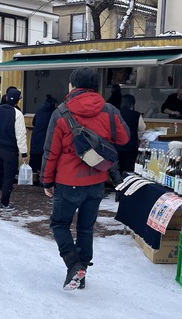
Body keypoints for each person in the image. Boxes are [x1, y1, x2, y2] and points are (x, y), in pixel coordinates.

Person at [41, 67, 130, 290]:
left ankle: (73, 265)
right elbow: (124, 138)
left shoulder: (61, 112)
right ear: (95, 87)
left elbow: (51, 151)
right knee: (85, 229)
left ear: (72, 86)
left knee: (59, 223)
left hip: (68, 181)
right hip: (96, 181)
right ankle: (81, 274)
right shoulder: (109, 110)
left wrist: (47, 181)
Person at [0, 88, 28, 212]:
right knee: (8, 177)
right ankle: (4, 203)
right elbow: (20, 135)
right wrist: (24, 152)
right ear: (17, 101)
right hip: (10, 150)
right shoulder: (17, 114)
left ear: (7, 97)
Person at [116, 94, 146, 175]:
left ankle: (118, 186)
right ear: (132, 104)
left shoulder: (115, 113)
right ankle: (127, 186)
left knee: (118, 169)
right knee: (129, 170)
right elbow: (142, 128)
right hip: (131, 146)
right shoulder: (136, 114)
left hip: (117, 146)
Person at [30, 94, 57, 174]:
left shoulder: (40, 110)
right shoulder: (53, 112)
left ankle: (33, 177)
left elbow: (33, 122)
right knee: (44, 158)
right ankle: (42, 178)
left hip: (36, 135)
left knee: (35, 157)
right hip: (46, 137)